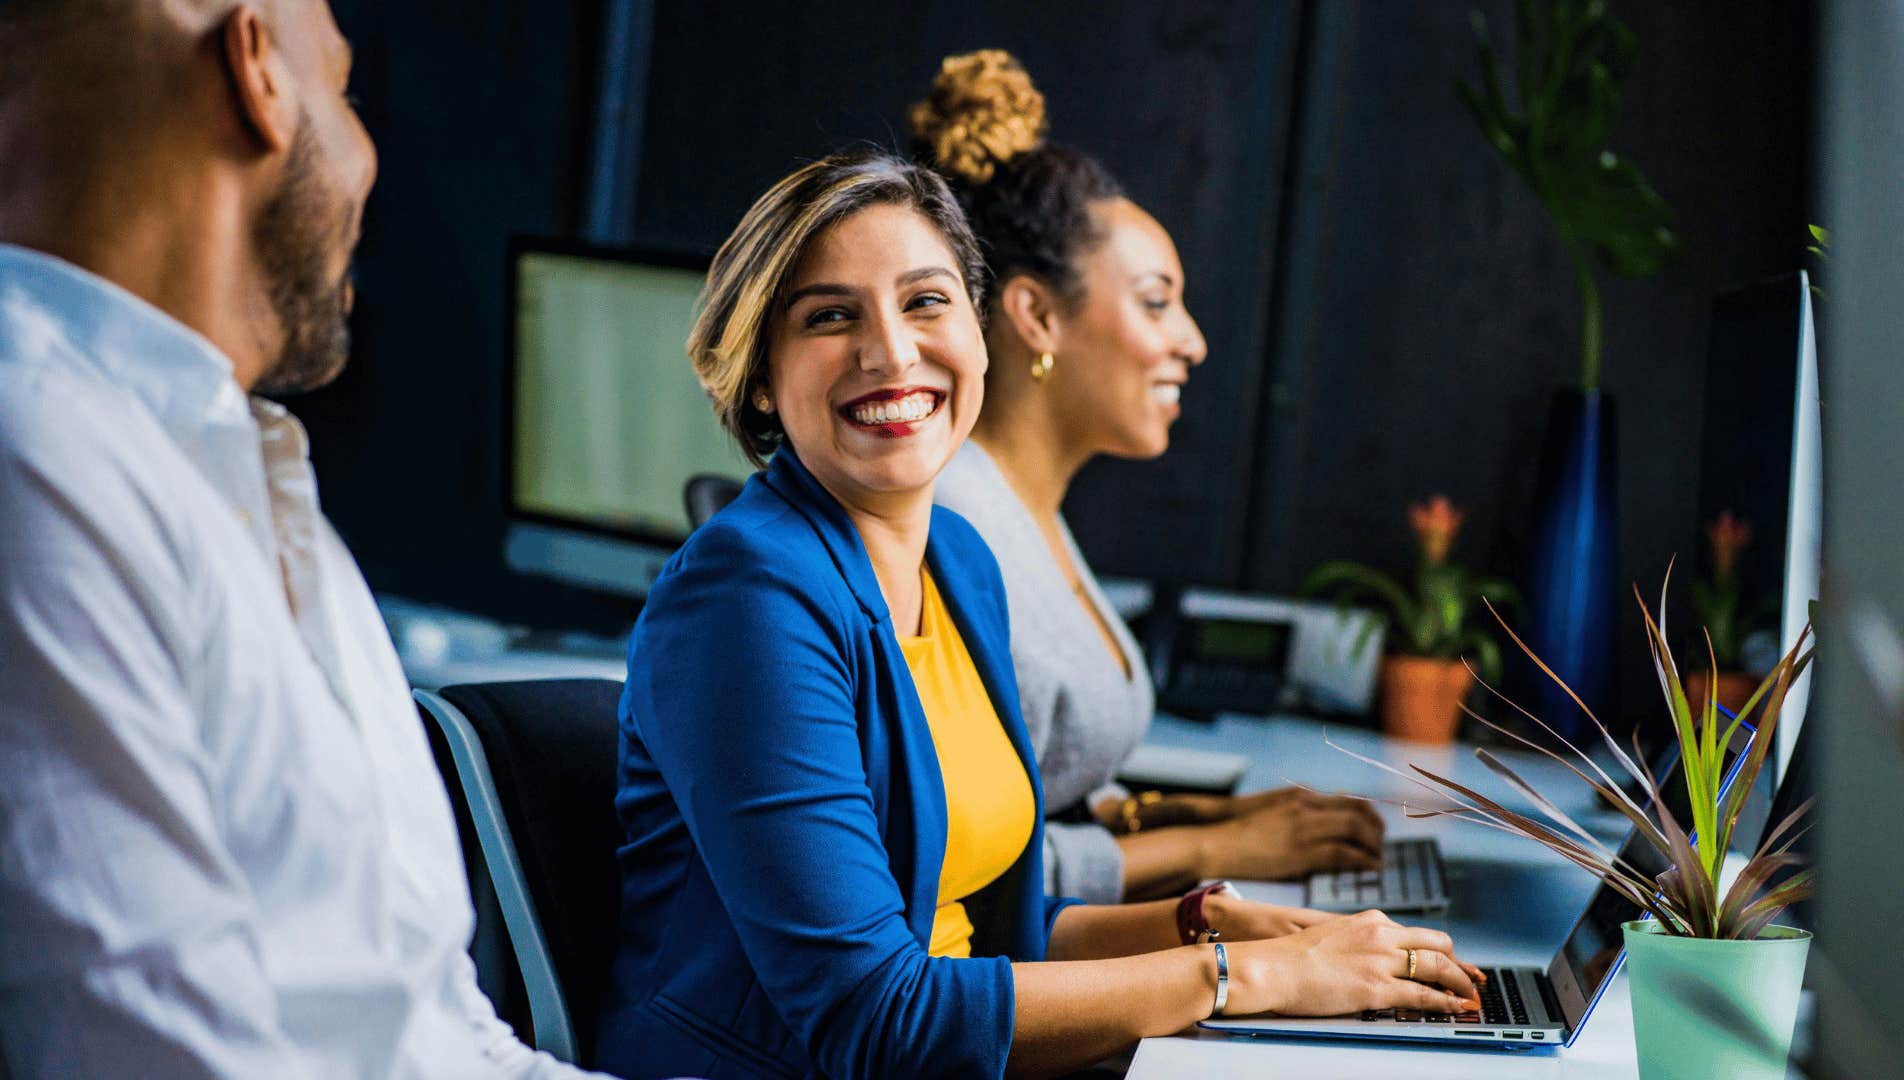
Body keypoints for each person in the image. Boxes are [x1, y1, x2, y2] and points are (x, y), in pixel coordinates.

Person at [597, 149, 1481, 1080]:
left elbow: (995, 934)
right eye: (830, 316)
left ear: (980, 336)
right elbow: (876, 1018)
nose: (892, 350)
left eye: (926, 301)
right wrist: (1243, 974)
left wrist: (1207, 921)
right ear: (763, 378)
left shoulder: (960, 563)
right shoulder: (745, 597)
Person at [0, 2, 603, 1075]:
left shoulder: (250, 483)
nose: (369, 161)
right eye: (347, 89)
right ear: (258, 72)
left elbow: (433, 1033)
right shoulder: (37, 457)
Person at [916, 50, 1386, 905]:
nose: (1193, 341)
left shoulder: (1027, 512)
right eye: (1156, 301)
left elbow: (1045, 796)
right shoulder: (955, 529)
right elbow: (968, 874)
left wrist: (1200, 818)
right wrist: (1223, 848)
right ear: (1037, 315)